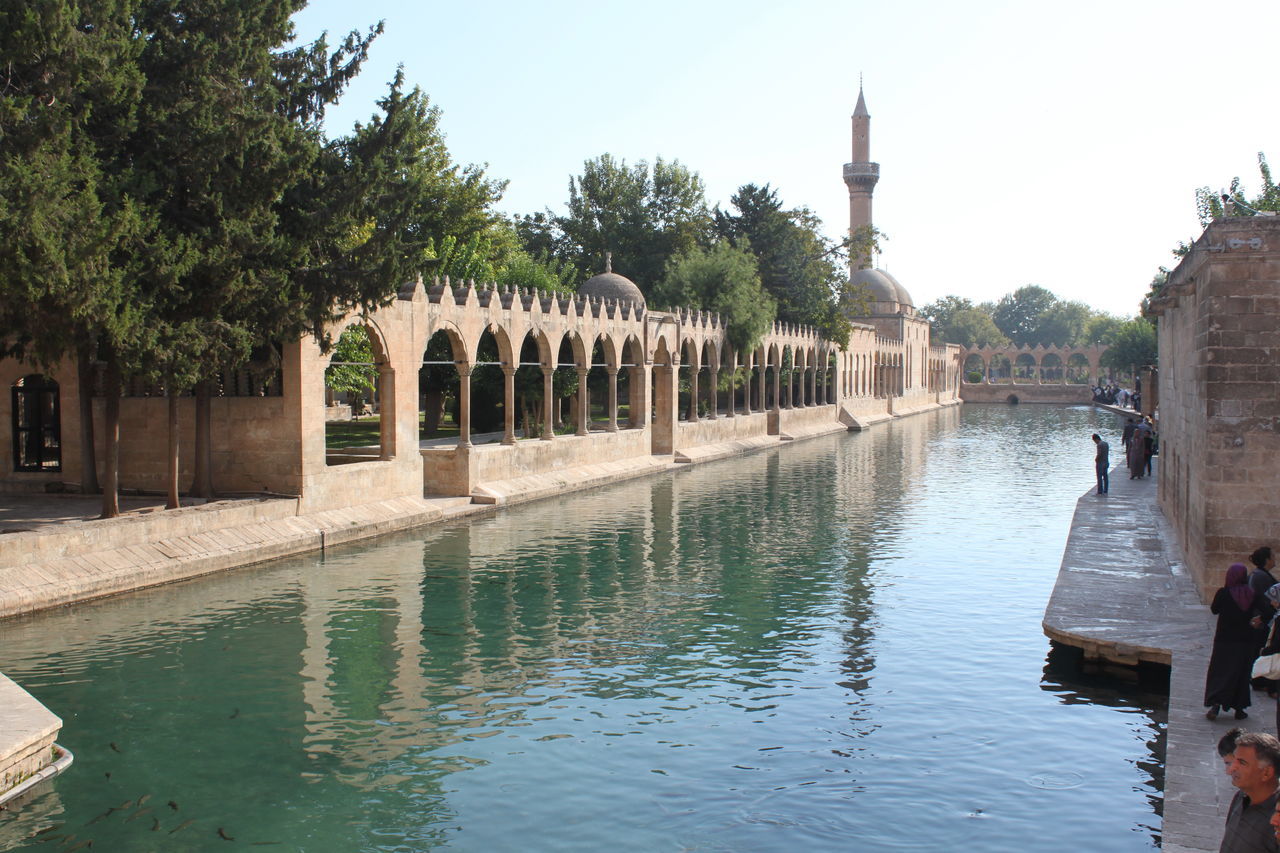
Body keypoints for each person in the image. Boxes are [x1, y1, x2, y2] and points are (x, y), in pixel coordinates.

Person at [1206, 563, 1266, 720]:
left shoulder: (1223, 593)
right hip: (1246, 640)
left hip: (1224, 640)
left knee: (1220, 672)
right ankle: (1239, 709)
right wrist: (1257, 620)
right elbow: (1267, 610)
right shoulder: (1251, 594)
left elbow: (1214, 610)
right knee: (1241, 673)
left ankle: (1215, 706)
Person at [1220, 731, 1280, 852]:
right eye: (1234, 760)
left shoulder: (1276, 820)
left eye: (1242, 762)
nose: (1231, 769)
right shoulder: (1241, 796)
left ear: (1266, 773)